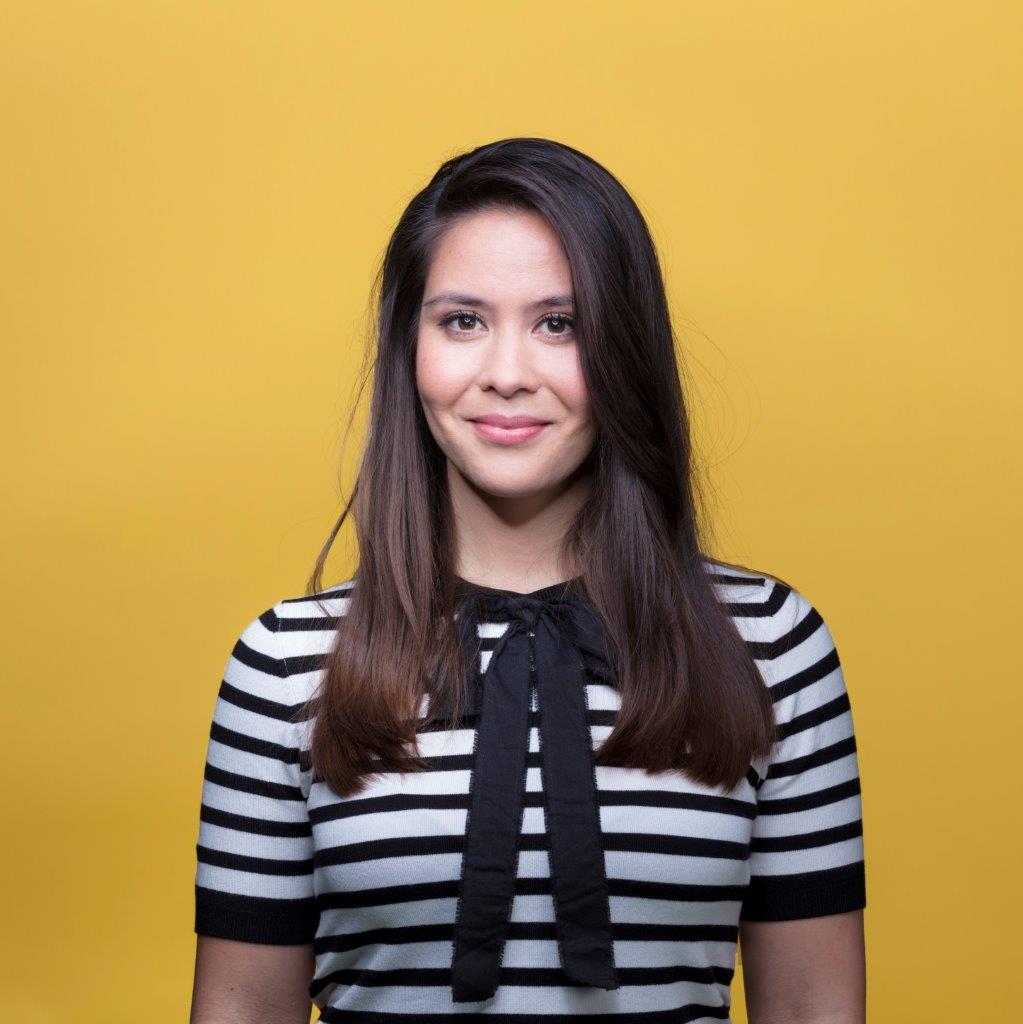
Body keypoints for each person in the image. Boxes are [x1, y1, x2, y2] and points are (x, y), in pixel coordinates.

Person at [189, 137, 867, 1023]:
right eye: (462, 322)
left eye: (560, 325)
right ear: (408, 347)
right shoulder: (285, 660)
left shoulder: (770, 641)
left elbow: (816, 1005)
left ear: (624, 350)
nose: (506, 376)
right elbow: (238, 1009)